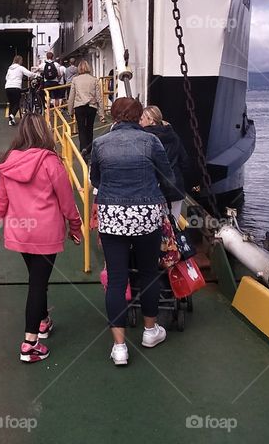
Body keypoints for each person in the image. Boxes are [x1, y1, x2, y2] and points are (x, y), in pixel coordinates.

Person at [0, 114, 83, 363]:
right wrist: (75, 226)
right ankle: (30, 344)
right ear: (45, 133)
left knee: (37, 277)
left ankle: (43, 322)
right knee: (38, 283)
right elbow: (66, 199)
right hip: (45, 231)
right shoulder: (51, 162)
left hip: (20, 230)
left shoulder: (6, 163)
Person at [90, 97, 177, 366]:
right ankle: (150, 332)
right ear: (139, 117)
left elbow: (96, 179)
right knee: (149, 273)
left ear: (114, 116)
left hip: (112, 215)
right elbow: (168, 178)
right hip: (146, 214)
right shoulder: (151, 142)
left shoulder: (100, 143)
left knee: (117, 279)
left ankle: (119, 349)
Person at [140, 105, 193, 219]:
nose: (139, 122)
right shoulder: (173, 135)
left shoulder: (144, 138)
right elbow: (184, 162)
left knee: (155, 227)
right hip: (175, 188)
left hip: (153, 190)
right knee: (173, 224)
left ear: (151, 120)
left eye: (141, 119)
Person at [66, 60, 104, 157]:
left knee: (81, 128)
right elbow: (99, 97)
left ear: (79, 68)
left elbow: (71, 96)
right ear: (88, 68)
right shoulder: (94, 80)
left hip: (79, 106)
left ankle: (83, 148)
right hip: (91, 106)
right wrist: (101, 114)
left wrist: (70, 110)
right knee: (89, 128)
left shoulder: (75, 80)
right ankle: (89, 149)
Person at [4, 55, 35, 126]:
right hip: (16, 87)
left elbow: (6, 78)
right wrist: (36, 75)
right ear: (20, 61)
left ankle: (11, 120)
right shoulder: (20, 68)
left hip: (7, 87)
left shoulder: (10, 69)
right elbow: (29, 74)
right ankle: (12, 116)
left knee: (11, 104)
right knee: (17, 104)